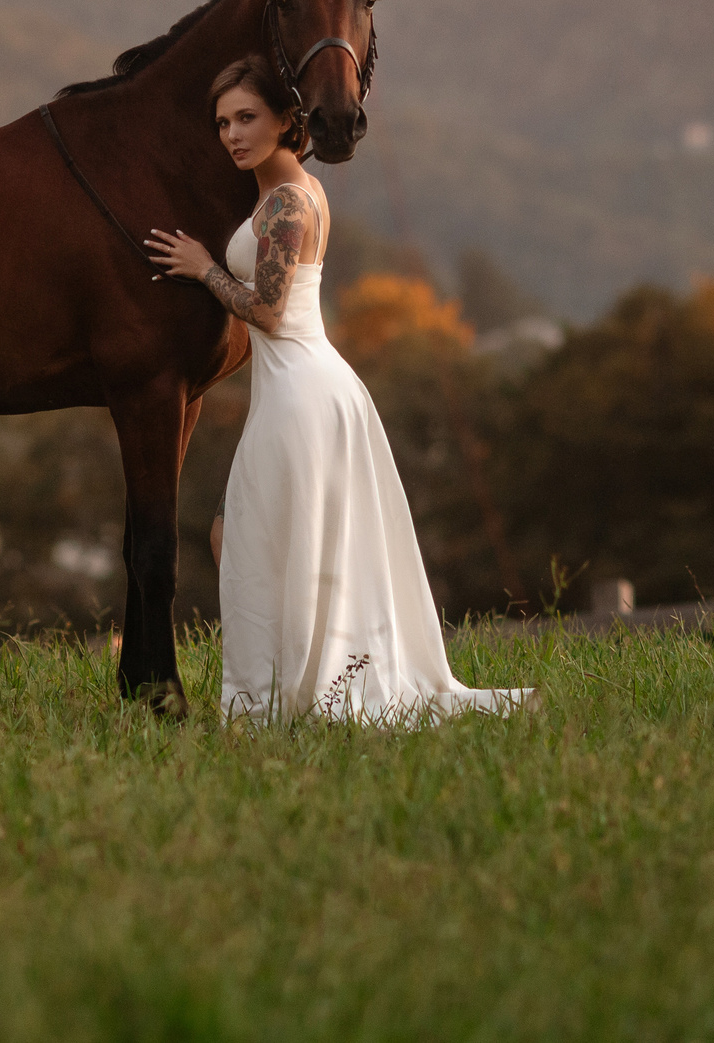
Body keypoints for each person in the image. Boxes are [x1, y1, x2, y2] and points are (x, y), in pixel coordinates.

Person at [147, 57, 534, 724]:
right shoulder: (285, 192)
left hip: (303, 392)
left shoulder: (290, 202)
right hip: (298, 388)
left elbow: (268, 311)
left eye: (246, 118)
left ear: (285, 120)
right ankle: (286, 684)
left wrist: (204, 268)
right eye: (222, 123)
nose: (232, 134)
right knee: (249, 533)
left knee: (245, 534)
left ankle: (288, 694)